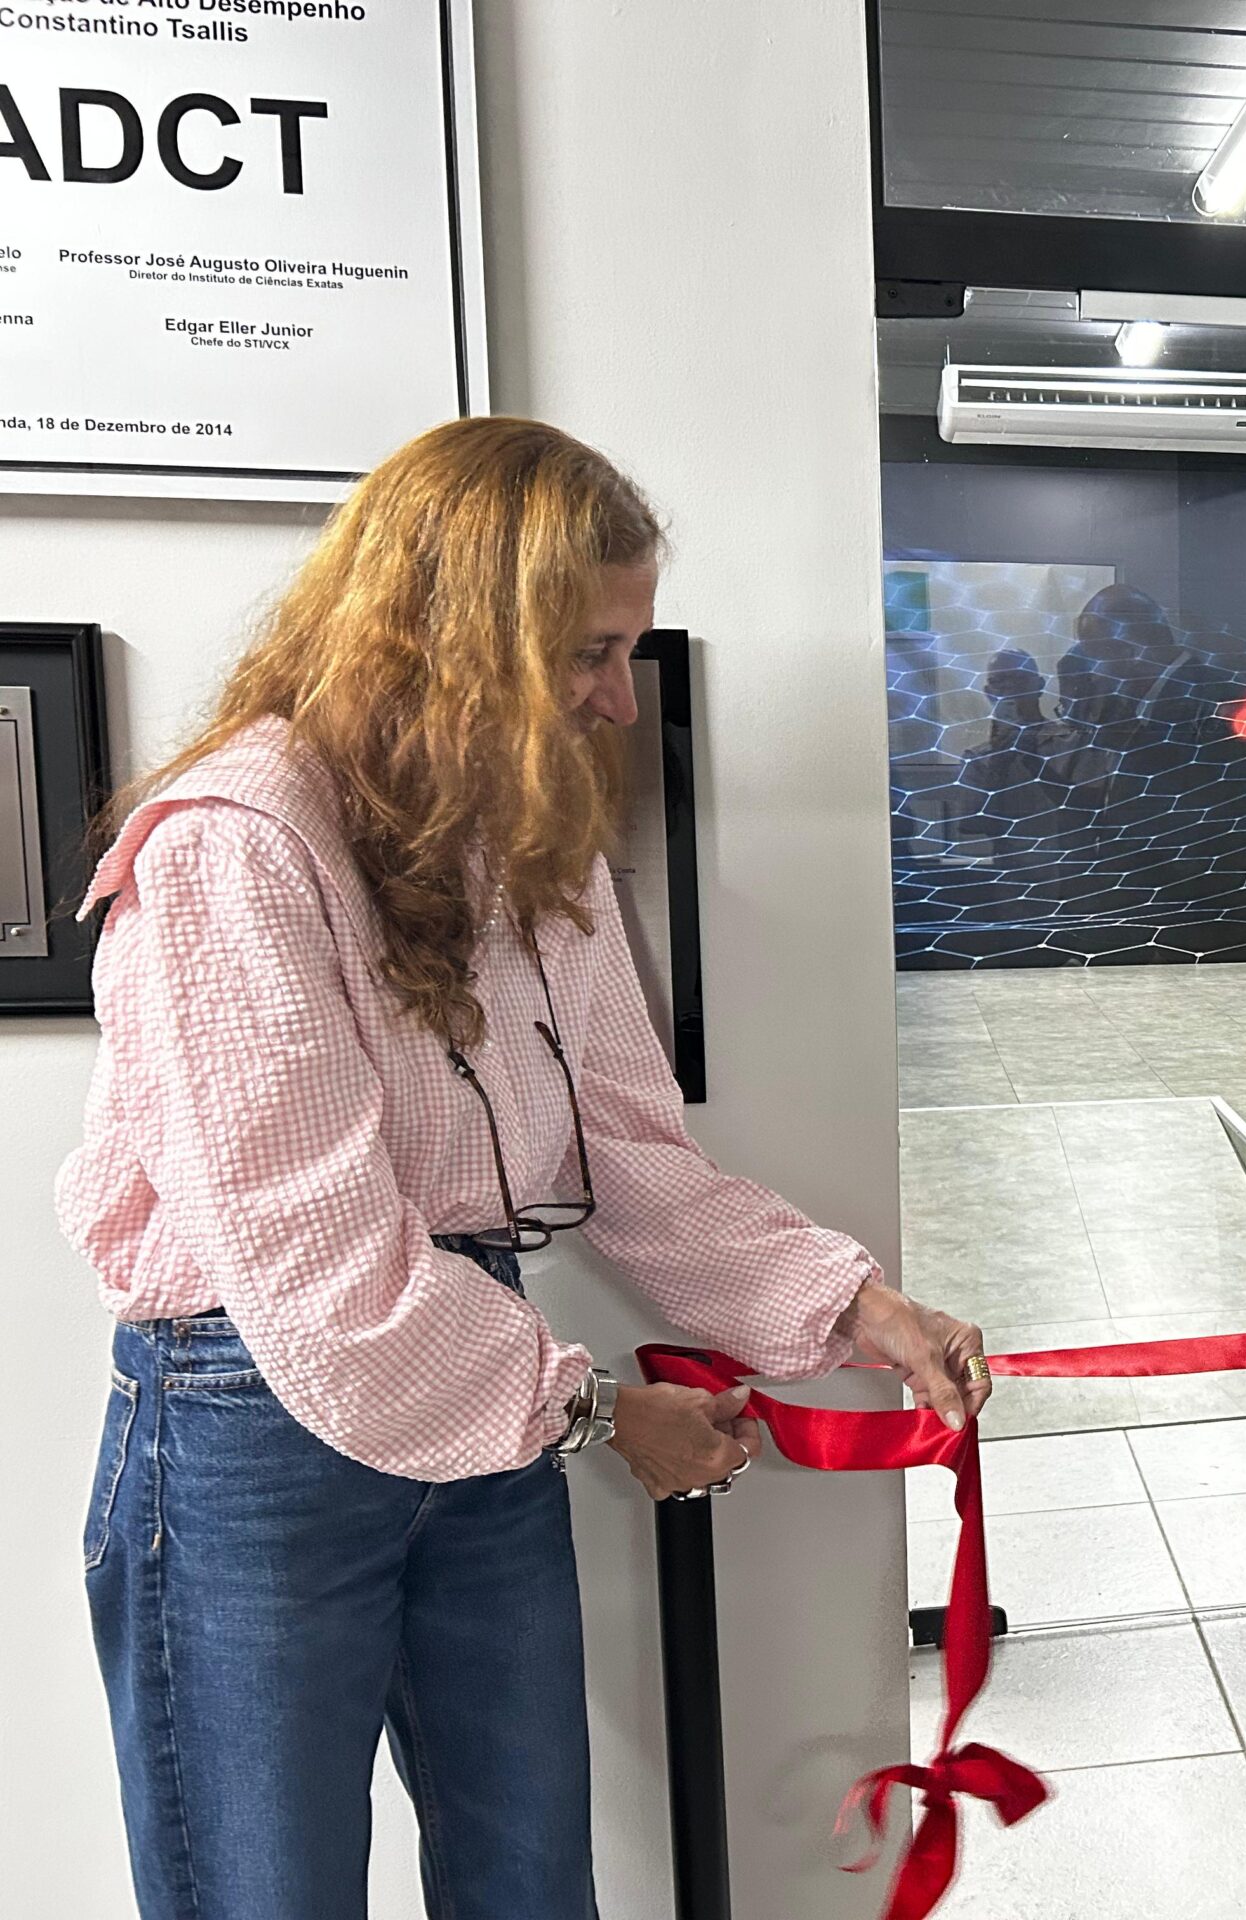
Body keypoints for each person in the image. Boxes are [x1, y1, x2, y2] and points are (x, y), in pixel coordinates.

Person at [58, 416, 993, 1920]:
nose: (619, 698)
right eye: (587, 652)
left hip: (473, 1387)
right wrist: (594, 1412)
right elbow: (317, 1265)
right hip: (251, 1429)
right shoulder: (233, 845)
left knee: (532, 1882)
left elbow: (628, 1151)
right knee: (263, 1894)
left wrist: (862, 1309)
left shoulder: (522, 843)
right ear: (445, 634)